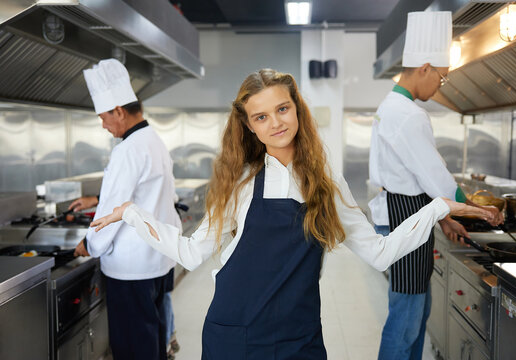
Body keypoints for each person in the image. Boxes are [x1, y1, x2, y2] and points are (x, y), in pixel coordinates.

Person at [89, 69, 494, 360]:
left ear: (296, 108)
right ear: (249, 126)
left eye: (282, 109)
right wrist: (131, 214)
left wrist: (438, 206)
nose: (275, 123)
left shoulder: (326, 181)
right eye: (261, 117)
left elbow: (381, 252)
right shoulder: (242, 183)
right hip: (236, 339)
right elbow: (193, 253)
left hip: (300, 340)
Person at [368, 12, 504, 360]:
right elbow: (435, 176)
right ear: (425, 67)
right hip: (405, 222)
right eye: (442, 78)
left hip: (409, 217)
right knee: (406, 321)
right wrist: (479, 210)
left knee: (417, 314)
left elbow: (417, 175)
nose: (440, 85)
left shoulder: (393, 106)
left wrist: (444, 218)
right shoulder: (407, 114)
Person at [69, 58, 181, 360]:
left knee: (133, 348)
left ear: (119, 111)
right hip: (157, 260)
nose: (103, 124)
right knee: (152, 339)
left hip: (131, 269)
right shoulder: (152, 140)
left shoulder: (127, 151)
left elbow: (111, 213)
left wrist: (89, 244)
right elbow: (154, 195)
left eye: (104, 116)